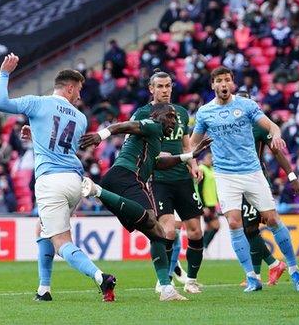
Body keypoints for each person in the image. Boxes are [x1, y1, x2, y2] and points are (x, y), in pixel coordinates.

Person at [0, 53, 116, 302]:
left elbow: (1, 103)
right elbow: (59, 140)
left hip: (51, 181)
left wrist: (4, 73)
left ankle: (100, 277)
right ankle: (44, 289)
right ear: (69, 88)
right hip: (74, 180)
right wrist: (36, 131)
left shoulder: (38, 103)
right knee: (43, 228)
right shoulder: (81, 119)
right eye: (79, 90)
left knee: (61, 242)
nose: (80, 96)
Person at [79, 103, 212, 301]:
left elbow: (159, 162)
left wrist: (190, 156)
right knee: (152, 222)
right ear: (158, 116)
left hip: (119, 179)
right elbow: (122, 125)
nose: (174, 122)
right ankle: (97, 190)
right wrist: (101, 135)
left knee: (157, 234)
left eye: (175, 118)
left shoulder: (155, 138)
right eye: (171, 117)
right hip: (127, 176)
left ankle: (166, 289)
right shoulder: (152, 124)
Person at [190, 66, 299, 292]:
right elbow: (193, 143)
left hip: (252, 171)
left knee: (272, 219)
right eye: (219, 80)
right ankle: (252, 277)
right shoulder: (204, 112)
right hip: (225, 175)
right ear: (213, 85)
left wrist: (277, 133)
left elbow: (270, 125)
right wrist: (193, 163)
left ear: (232, 83)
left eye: (227, 80)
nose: (223, 84)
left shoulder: (247, 105)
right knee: (234, 222)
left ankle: (294, 270)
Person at [129, 70, 205, 294]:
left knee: (195, 232)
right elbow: (129, 141)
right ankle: (165, 278)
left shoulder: (180, 112)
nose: (165, 90)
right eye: (160, 86)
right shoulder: (142, 113)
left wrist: (193, 165)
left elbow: (186, 145)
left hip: (182, 179)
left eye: (168, 86)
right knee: (168, 230)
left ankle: (191, 280)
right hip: (158, 180)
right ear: (151, 89)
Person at [235, 88, 299, 287]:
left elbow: (277, 152)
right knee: (250, 227)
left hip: (255, 178)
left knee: (264, 223)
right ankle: (257, 274)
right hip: (234, 180)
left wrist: (292, 177)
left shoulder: (258, 126)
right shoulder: (227, 125)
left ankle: (292, 269)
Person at [197, 152, 220, 248]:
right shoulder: (202, 169)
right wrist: (203, 206)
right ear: (203, 159)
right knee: (216, 226)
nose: (211, 159)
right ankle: (203, 246)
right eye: (209, 157)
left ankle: (201, 247)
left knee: (209, 227)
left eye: (212, 158)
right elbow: (199, 188)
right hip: (206, 203)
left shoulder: (212, 169)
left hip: (212, 203)